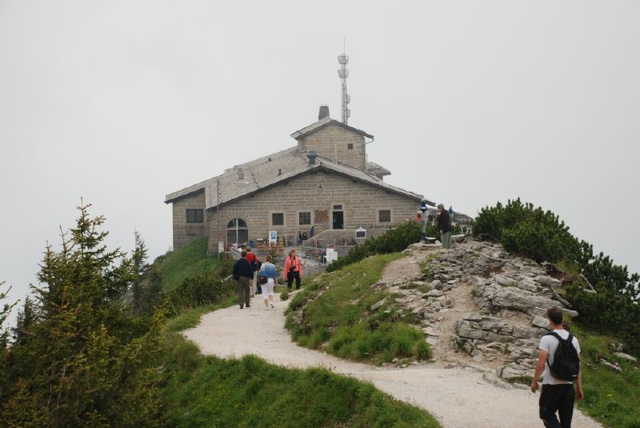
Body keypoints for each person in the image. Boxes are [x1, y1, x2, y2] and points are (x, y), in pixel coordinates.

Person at [530, 307, 584, 427]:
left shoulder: (547, 339)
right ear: (562, 319)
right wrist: (579, 387)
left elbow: (541, 364)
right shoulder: (574, 340)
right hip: (568, 386)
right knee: (566, 422)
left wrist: (534, 381)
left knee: (546, 414)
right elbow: (578, 365)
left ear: (550, 321)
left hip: (551, 385)